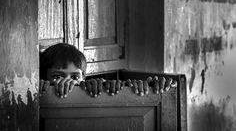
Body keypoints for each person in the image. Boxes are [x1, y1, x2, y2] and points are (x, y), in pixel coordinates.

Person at [39, 43, 177, 98]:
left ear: (84, 79)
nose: (67, 82)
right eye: (57, 76)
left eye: (75, 77)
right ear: (44, 78)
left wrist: (152, 87)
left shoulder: (93, 91)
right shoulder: (40, 93)